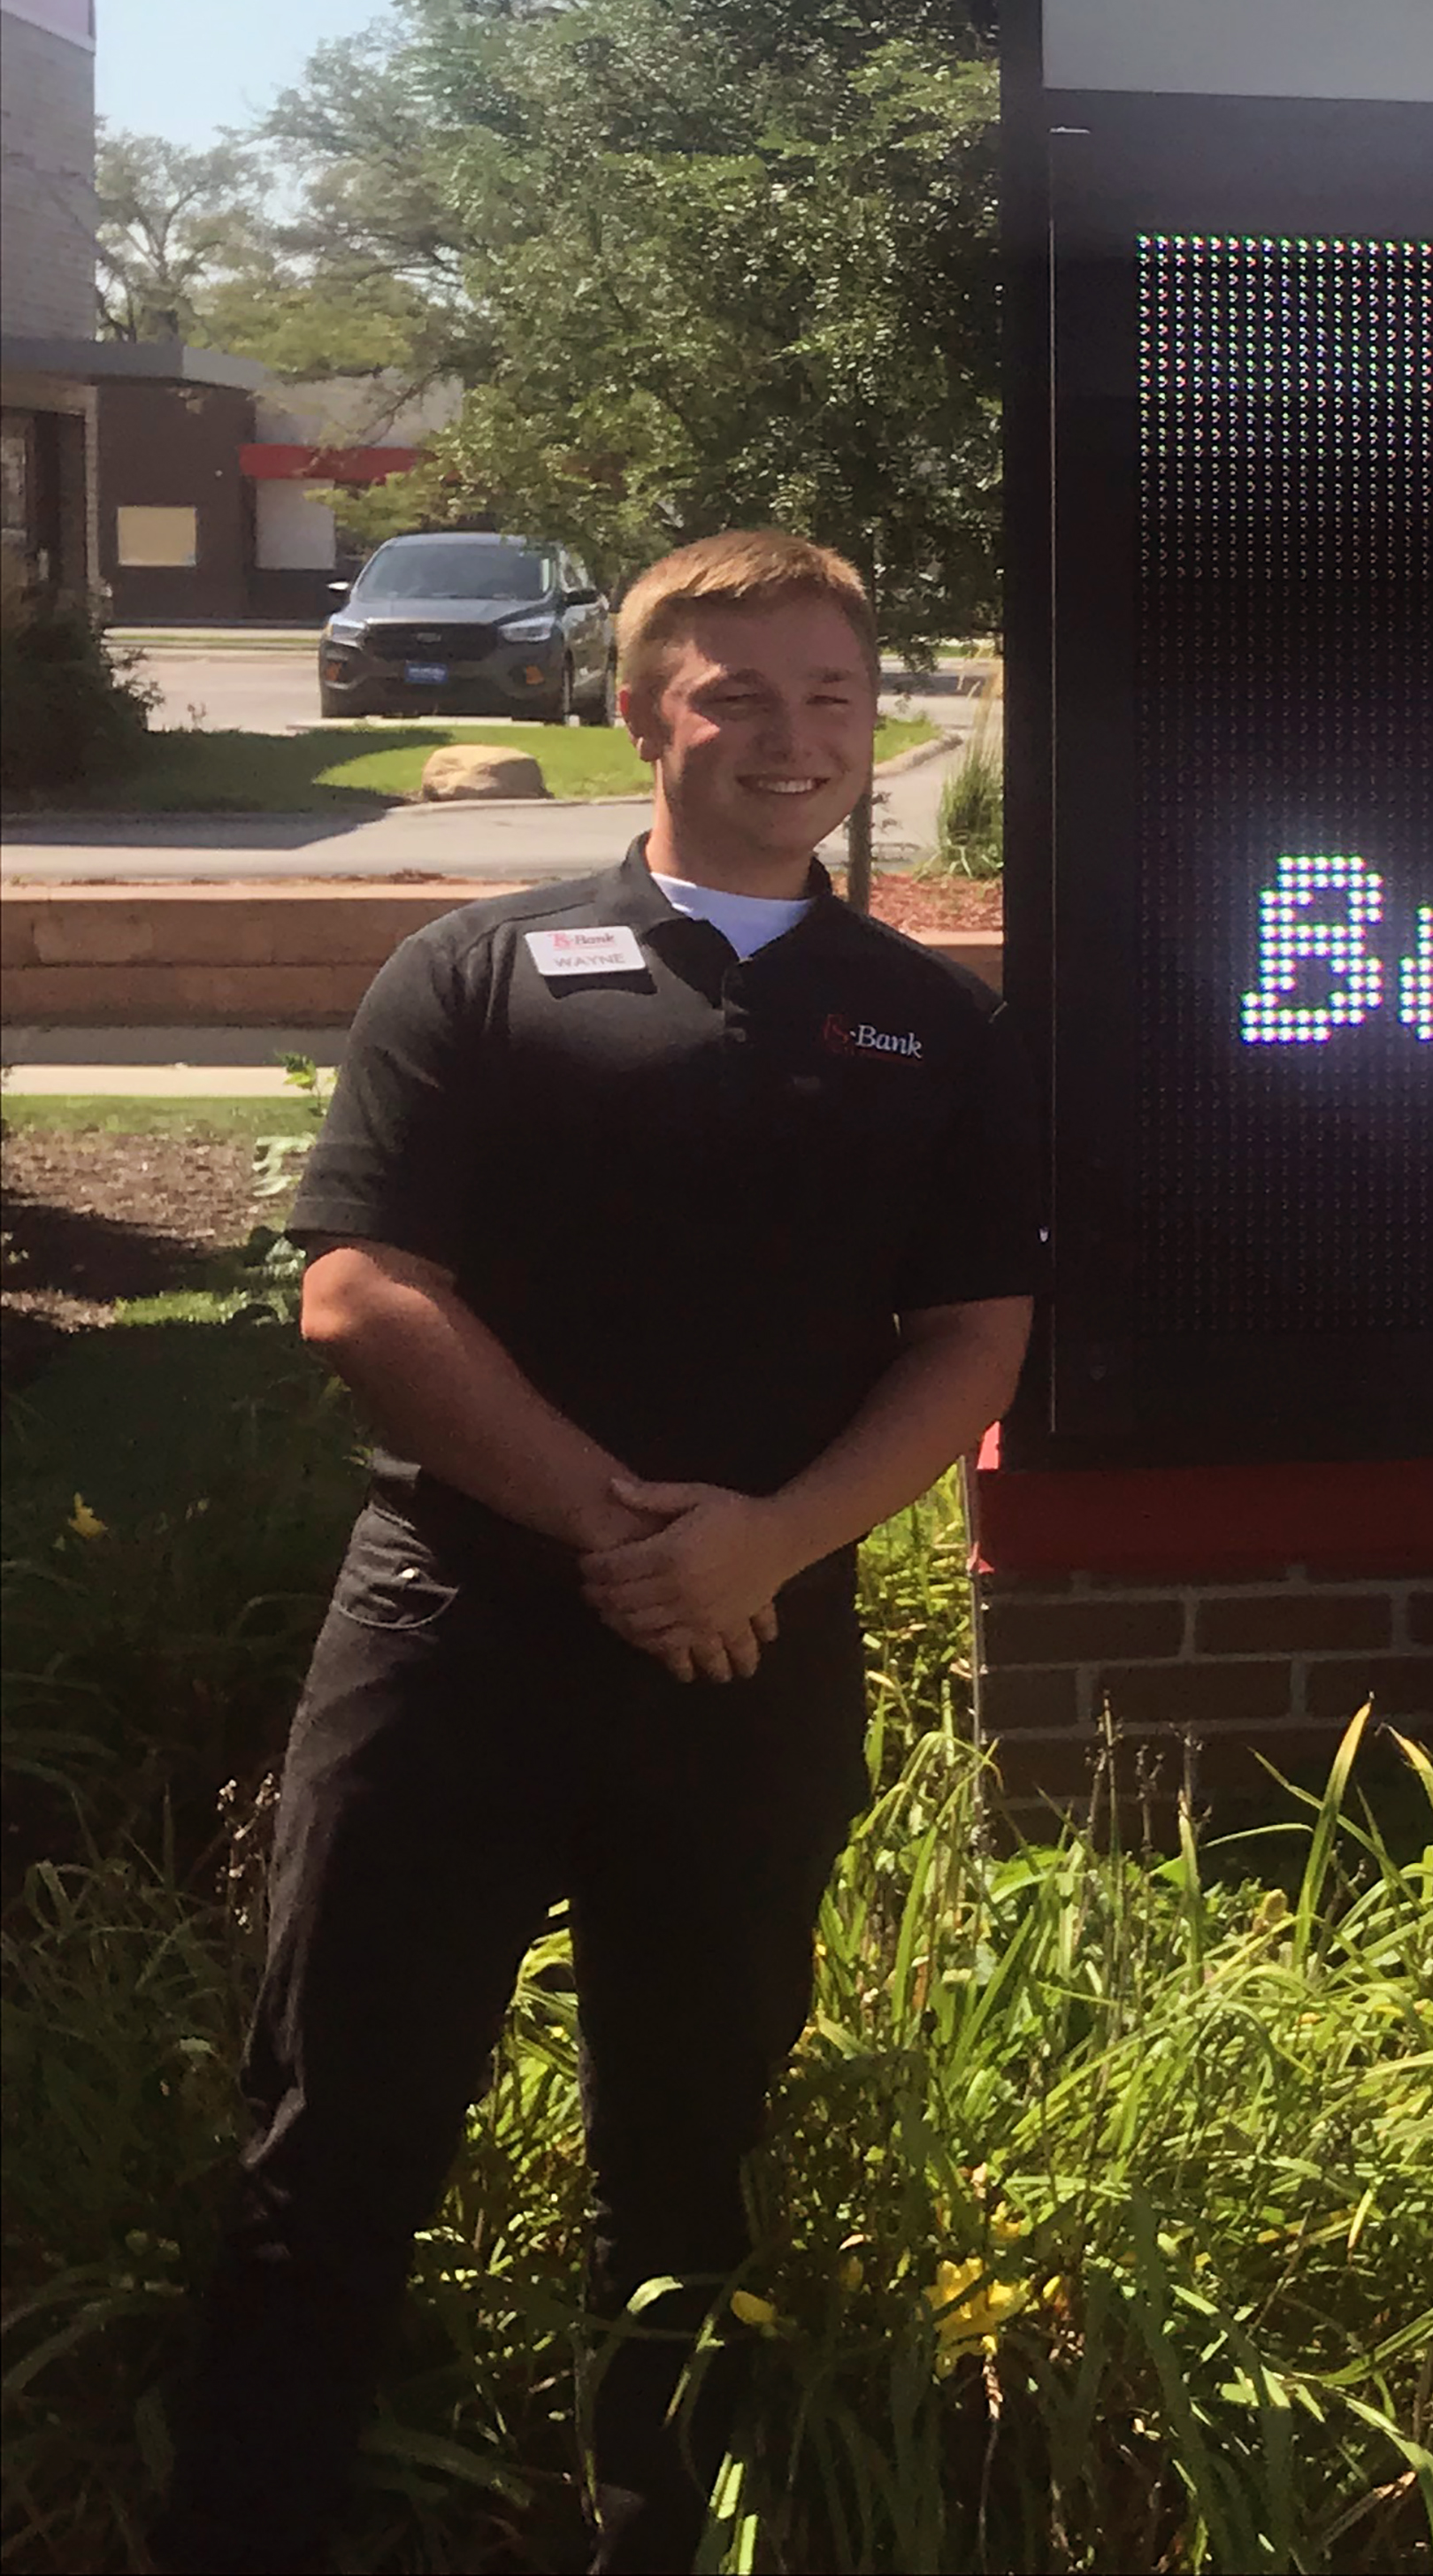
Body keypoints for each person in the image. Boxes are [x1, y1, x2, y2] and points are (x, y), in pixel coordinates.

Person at [164, 531, 1038, 2573]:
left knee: (692, 2161)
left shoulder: (929, 1026)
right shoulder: (476, 971)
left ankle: (667, 2534)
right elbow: (365, 1292)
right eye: (738, 694)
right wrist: (616, 1528)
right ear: (646, 711)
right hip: (455, 1637)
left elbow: (973, 1337)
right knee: (336, 2136)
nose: (791, 737)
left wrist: (764, 1551)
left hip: (750, 1667)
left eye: (831, 696)